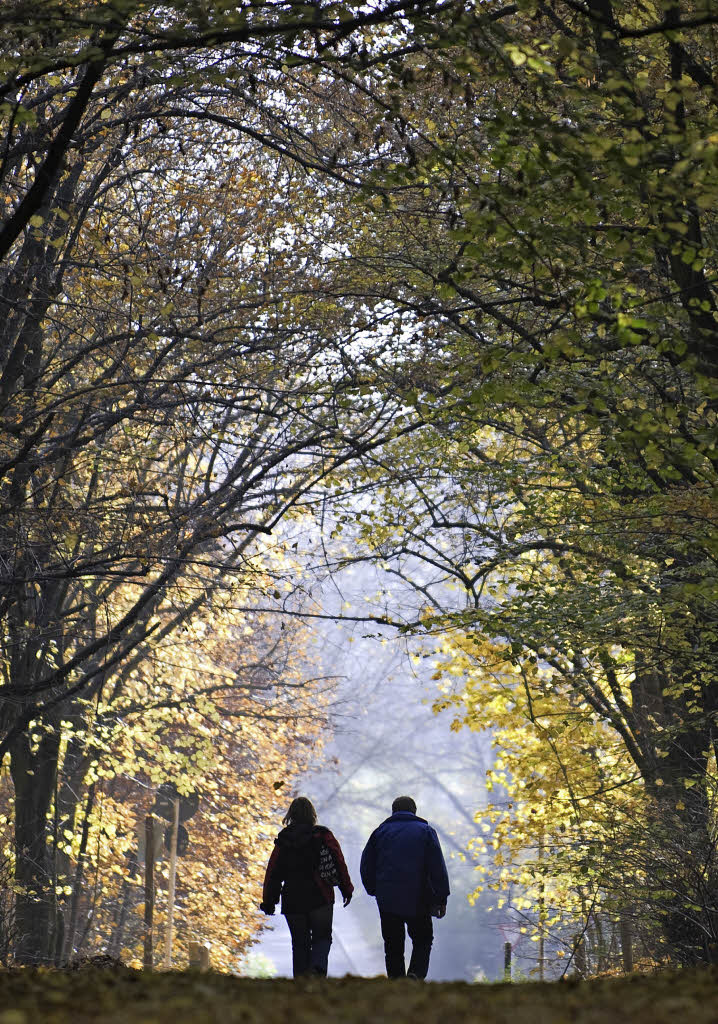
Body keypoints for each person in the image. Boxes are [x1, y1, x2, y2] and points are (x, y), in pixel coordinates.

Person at [260, 796, 353, 977]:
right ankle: (317, 970)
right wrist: (346, 888)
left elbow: (273, 873)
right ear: (312, 814)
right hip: (320, 896)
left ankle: (301, 983)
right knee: (322, 938)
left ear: (291, 815)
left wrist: (269, 901)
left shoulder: (283, 841)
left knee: (299, 943)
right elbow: (338, 861)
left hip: (293, 899)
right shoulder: (323, 836)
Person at [360, 795, 449, 980]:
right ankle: (415, 975)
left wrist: (373, 889)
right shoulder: (425, 831)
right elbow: (437, 866)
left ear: (393, 811)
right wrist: (441, 897)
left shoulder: (380, 832)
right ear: (414, 811)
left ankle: (397, 982)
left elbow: (366, 863)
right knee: (423, 940)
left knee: (393, 944)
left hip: (388, 898)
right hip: (419, 898)